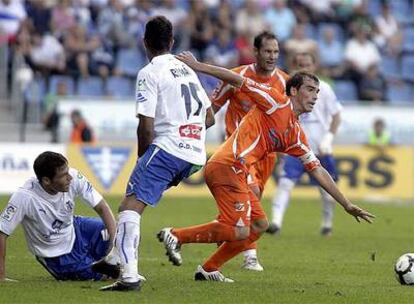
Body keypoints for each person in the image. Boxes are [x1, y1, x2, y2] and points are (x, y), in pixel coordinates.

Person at [157, 51, 374, 282]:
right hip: (227, 165)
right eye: (310, 90)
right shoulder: (274, 101)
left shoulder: (296, 134)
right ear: (293, 91)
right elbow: (236, 79)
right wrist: (198, 65)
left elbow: (318, 170)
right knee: (238, 230)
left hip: (239, 173)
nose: (315, 96)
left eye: (317, 92)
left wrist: (347, 204)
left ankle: (209, 268)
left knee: (259, 225)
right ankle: (176, 235)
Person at [99, 16, 215, 292]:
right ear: (172, 42)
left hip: (168, 147)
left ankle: (128, 277)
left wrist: (143, 157)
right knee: (131, 201)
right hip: (195, 154)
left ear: (144, 43)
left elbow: (146, 126)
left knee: (129, 208)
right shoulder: (188, 70)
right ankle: (115, 258)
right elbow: (209, 118)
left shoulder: (149, 72)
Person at [212, 31, 289, 271]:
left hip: (267, 155)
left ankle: (220, 231)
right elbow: (212, 107)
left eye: (276, 52)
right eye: (267, 51)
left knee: (248, 207)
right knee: (251, 195)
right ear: (255, 52)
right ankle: (250, 255)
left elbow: (286, 119)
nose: (272, 56)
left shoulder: (285, 82)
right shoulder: (237, 77)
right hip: (239, 151)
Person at [0, 151, 118, 282]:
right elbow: (2, 231)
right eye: (63, 175)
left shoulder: (73, 177)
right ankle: (103, 269)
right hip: (56, 254)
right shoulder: (25, 197)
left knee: (120, 231)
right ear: (46, 180)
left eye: (68, 171)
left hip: (75, 229)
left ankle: (119, 267)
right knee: (105, 277)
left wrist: (113, 248)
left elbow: (102, 207)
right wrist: (1, 276)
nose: (70, 178)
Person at [267, 52, 342, 237]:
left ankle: (327, 223)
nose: (304, 68)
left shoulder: (323, 88)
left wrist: (328, 138)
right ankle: (276, 222)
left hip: (321, 146)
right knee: (285, 183)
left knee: (326, 188)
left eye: (307, 64)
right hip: (296, 145)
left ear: (314, 66)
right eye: (300, 65)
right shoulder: (289, 89)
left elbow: (337, 115)